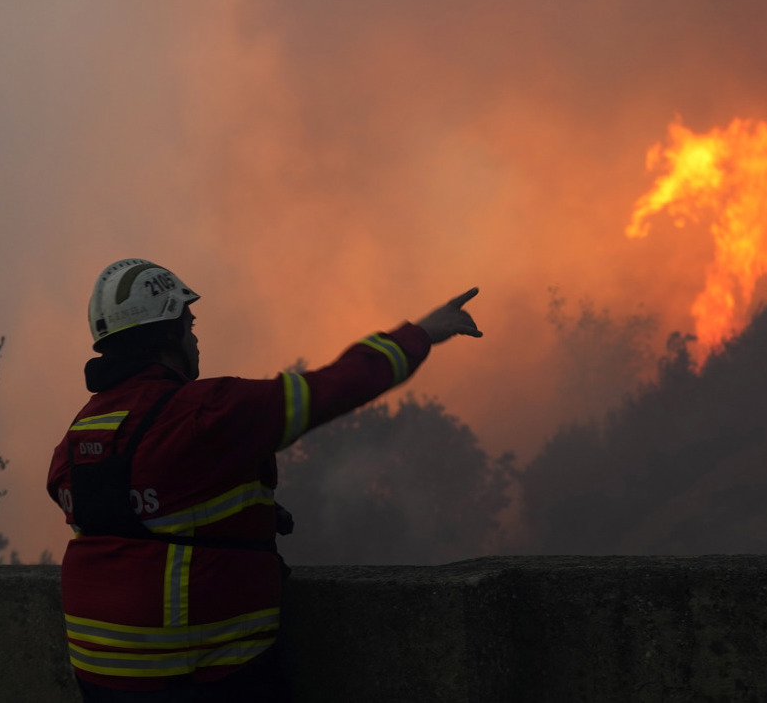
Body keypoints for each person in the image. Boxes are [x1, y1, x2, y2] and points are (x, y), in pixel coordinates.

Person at [46, 258, 481, 701]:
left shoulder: (79, 433)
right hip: (201, 677)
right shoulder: (208, 411)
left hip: (99, 677)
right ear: (168, 334)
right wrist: (422, 333)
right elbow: (335, 386)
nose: (195, 338)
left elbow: (142, 508)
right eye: (189, 325)